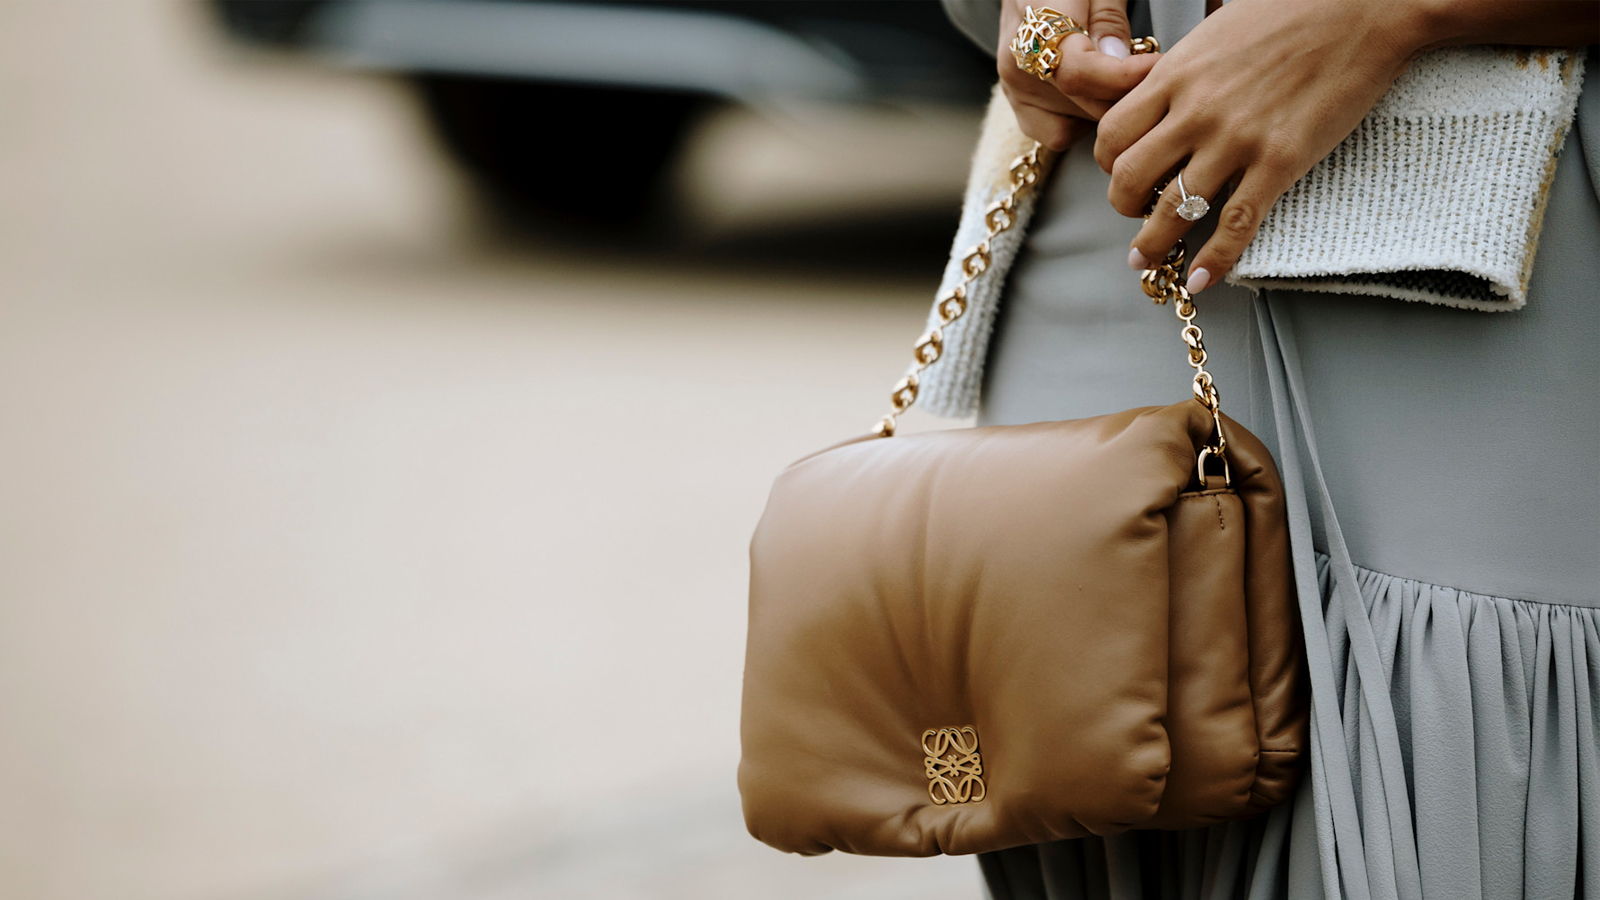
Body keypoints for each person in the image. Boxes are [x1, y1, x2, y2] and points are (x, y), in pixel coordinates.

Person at [934, 1, 1600, 897]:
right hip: (1102, 201)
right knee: (1078, 779)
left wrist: (1375, 16)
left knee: (1446, 785)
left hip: (1484, 211)